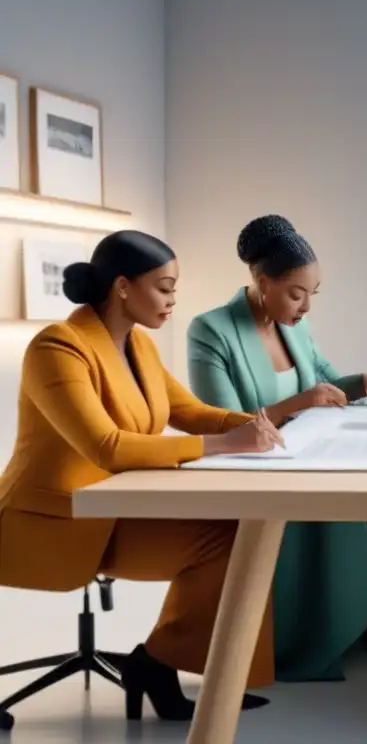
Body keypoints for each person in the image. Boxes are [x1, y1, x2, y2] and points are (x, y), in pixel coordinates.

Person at [0, 230, 284, 721]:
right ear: (123, 287)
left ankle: (157, 663)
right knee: (230, 534)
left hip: (110, 511)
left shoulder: (137, 347)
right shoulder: (57, 349)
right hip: (48, 521)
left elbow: (190, 411)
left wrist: (271, 424)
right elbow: (105, 447)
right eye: (165, 287)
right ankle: (169, 668)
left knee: (236, 535)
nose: (174, 300)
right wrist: (224, 444)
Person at [186, 214, 367, 681]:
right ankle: (338, 624)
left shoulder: (293, 326)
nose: (306, 306)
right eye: (297, 294)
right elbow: (225, 420)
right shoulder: (211, 331)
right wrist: (299, 402)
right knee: (336, 497)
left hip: (302, 451)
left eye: (313, 294)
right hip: (252, 465)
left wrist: (361, 382)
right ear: (261, 282)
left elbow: (324, 381)